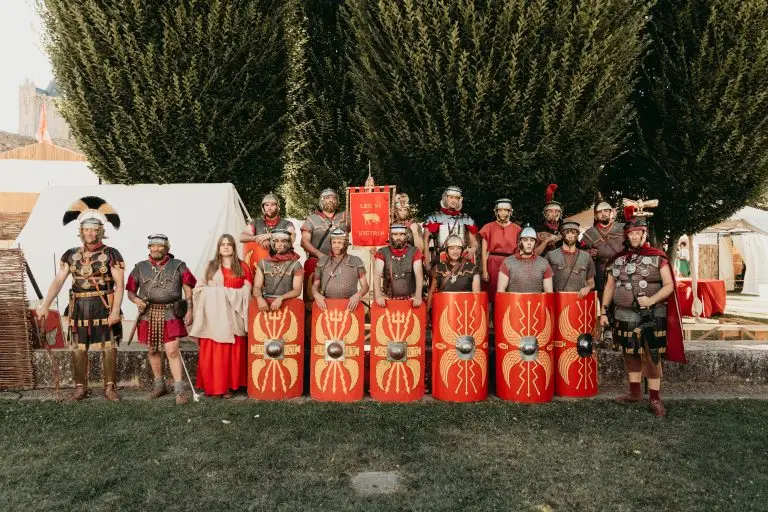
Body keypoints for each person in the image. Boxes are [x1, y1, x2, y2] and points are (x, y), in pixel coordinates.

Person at [599, 202, 686, 417]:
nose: (635, 236)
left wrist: (651, 299)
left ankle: (655, 398)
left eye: (638, 233)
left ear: (644, 234)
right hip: (623, 313)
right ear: (627, 236)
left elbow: (669, 286)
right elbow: (610, 286)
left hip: (652, 314)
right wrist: (603, 311)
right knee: (629, 354)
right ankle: (635, 392)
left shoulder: (658, 256)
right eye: (631, 233)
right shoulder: (617, 260)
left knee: (652, 354)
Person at [36, 196, 125, 401]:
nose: (90, 233)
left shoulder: (112, 254)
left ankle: (110, 388)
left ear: (101, 231)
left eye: (94, 229)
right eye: (86, 229)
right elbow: (58, 280)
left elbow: (119, 285)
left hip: (104, 304)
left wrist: (115, 310)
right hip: (79, 306)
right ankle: (79, 388)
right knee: (78, 348)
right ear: (81, 231)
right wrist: (45, 305)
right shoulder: (70, 254)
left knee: (109, 346)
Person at [126, 234, 196, 404]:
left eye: (160, 246)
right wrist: (137, 301)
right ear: (149, 248)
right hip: (148, 314)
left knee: (172, 350)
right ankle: (160, 386)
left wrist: (189, 310)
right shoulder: (140, 267)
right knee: (152, 350)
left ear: (167, 248)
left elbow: (188, 290)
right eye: (153, 246)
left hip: (171, 312)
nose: (156, 249)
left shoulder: (178, 265)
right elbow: (130, 291)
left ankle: (179, 390)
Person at [189, 234, 252, 398]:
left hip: (234, 316)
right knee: (215, 354)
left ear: (233, 247)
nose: (225, 247)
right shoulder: (210, 266)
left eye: (229, 244)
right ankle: (213, 386)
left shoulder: (242, 266)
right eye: (222, 244)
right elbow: (199, 289)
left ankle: (229, 386)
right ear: (218, 247)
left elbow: (247, 291)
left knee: (230, 353)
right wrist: (217, 293)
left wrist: (228, 293)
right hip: (213, 318)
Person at [300, 188, 349, 302]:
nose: (331, 200)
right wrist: (320, 255)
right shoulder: (312, 219)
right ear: (321, 201)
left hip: (340, 261)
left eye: (333, 198)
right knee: (312, 300)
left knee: (340, 297)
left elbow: (362, 225)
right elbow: (304, 242)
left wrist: (369, 190)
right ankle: (310, 315)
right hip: (316, 261)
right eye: (327, 198)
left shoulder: (345, 217)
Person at [422, 186, 478, 272]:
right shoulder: (433, 218)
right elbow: (425, 241)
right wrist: (427, 263)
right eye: (451, 197)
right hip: (441, 259)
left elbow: (474, 242)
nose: (454, 200)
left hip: (462, 259)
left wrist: (473, 248)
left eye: (457, 198)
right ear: (445, 198)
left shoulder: (466, 218)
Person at [311, 229, 369, 311]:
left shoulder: (356, 261)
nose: (336, 246)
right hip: (326, 306)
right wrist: (316, 295)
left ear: (345, 244)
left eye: (339, 242)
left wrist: (358, 295)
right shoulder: (322, 261)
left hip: (349, 306)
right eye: (334, 242)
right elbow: (315, 285)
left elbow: (365, 286)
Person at [580, 197, 625, 298]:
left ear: (611, 212)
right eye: (600, 212)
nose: (603, 214)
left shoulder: (623, 229)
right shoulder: (589, 234)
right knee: (602, 298)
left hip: (622, 268)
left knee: (622, 296)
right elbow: (580, 253)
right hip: (600, 271)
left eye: (606, 211)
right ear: (595, 216)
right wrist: (588, 252)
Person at [479, 198, 521, 303]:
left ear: (510, 212)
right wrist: (484, 270)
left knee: (509, 294)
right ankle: (491, 319)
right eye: (500, 210)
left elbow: (519, 251)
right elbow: (484, 251)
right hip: (493, 263)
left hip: (511, 263)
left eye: (505, 210)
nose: (503, 213)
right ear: (496, 211)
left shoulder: (517, 229)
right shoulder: (488, 227)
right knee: (491, 295)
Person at [373, 224, 424, 307]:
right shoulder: (382, 252)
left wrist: (418, 296)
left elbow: (419, 273)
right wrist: (379, 295)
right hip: (389, 301)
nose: (398, 237)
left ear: (406, 236)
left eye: (401, 234)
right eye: (395, 234)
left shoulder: (415, 252)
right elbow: (377, 273)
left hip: (411, 300)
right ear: (390, 236)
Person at [253, 228, 303, 311]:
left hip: (288, 306)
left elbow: (297, 291)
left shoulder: (296, 265)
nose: (279, 244)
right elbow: (256, 287)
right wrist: (259, 298)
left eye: (283, 241)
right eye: (276, 241)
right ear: (272, 243)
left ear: (289, 243)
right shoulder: (263, 263)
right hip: (266, 305)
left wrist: (281, 298)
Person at [427, 235, 481, 309]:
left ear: (462, 251)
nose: (455, 251)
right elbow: (431, 293)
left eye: (458, 248)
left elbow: (476, 297)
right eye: (452, 248)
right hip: (444, 309)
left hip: (465, 310)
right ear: (447, 251)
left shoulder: (472, 268)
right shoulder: (438, 268)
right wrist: (427, 315)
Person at [497, 225, 554, 293]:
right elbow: (501, 291)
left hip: (536, 303)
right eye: (525, 240)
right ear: (519, 242)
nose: (529, 243)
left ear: (535, 243)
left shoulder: (543, 263)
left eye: (532, 240)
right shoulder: (508, 263)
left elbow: (549, 293)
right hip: (514, 302)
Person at [546, 221, 595, 296]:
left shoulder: (586, 257)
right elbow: (543, 279)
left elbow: (591, 281)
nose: (570, 236)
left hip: (578, 299)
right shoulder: (551, 255)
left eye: (573, 233)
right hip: (557, 299)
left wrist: (587, 288)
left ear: (577, 234)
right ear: (562, 235)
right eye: (566, 233)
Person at [535, 184, 564, 257]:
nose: (554, 214)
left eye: (556, 211)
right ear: (544, 213)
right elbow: (532, 254)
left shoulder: (565, 229)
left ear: (561, 213)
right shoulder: (537, 229)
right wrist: (546, 241)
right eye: (550, 211)